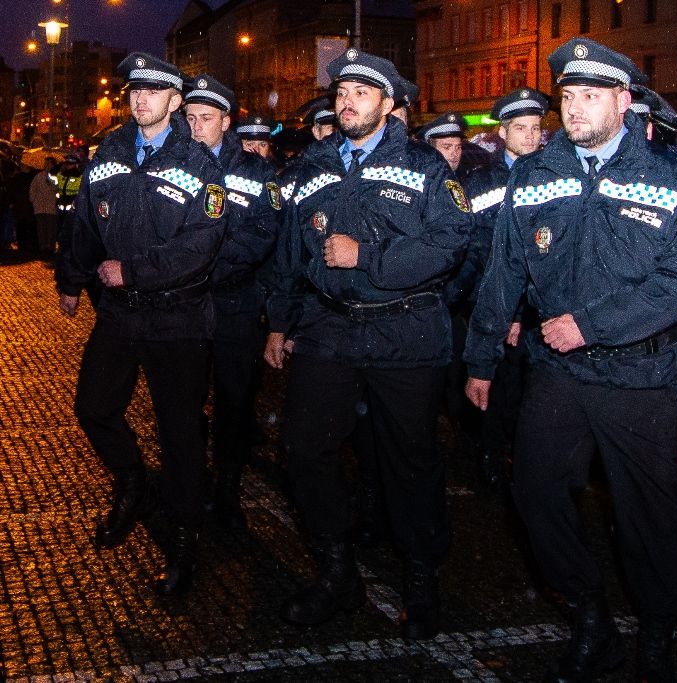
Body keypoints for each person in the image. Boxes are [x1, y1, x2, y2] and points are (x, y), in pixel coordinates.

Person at [465, 37, 677, 682]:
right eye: (568, 96)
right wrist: (481, 358)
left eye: (591, 96)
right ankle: (589, 619)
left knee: (648, 516)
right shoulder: (534, 174)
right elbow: (503, 272)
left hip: (643, 376)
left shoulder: (674, 176)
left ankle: (656, 633)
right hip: (561, 374)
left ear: (624, 101)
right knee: (535, 493)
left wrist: (592, 324)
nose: (574, 108)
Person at [265, 48, 472, 637]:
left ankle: (421, 578)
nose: (348, 101)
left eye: (361, 92)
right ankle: (337, 573)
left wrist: (370, 258)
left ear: (388, 103)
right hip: (328, 328)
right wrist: (280, 322)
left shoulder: (424, 165)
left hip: (402, 332)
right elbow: (289, 250)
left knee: (409, 461)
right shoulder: (313, 164)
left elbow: (451, 241)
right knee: (305, 449)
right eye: (341, 92)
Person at [54, 52, 226, 596]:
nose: (140, 99)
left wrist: (133, 271)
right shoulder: (110, 151)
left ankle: (184, 539)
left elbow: (201, 245)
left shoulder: (200, 164)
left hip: (177, 317)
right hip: (121, 314)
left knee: (180, 433)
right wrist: (71, 278)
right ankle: (134, 482)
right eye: (135, 91)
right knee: (93, 407)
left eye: (153, 91)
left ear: (175, 101)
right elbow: (83, 221)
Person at [183, 74, 281, 529]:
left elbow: (263, 232)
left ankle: (227, 485)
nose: (196, 127)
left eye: (205, 118)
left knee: (234, 398)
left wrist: (206, 264)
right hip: (184, 304)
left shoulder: (256, 171)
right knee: (183, 397)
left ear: (226, 122)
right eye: (189, 118)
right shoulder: (175, 163)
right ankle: (189, 480)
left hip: (234, 302)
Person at [454, 87, 549, 490]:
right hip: (491, 305)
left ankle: (526, 461)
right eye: (521, 128)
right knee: (494, 386)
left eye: (536, 128)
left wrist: (524, 312)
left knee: (533, 393)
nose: (530, 136)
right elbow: (472, 249)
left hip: (538, 311)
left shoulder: (552, 179)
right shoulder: (480, 183)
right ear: (503, 133)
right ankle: (491, 455)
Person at [28, 157, 57, 255]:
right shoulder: (39, 176)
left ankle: (50, 246)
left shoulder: (56, 176)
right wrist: (34, 201)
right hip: (40, 206)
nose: (46, 165)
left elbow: (58, 189)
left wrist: (51, 184)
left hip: (51, 206)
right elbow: (32, 189)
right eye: (46, 163)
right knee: (41, 227)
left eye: (49, 163)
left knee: (50, 227)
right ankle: (43, 245)